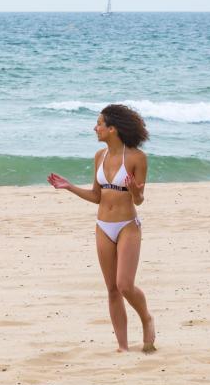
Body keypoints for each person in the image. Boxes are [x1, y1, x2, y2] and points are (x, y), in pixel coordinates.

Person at [47, 104, 156, 353]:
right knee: (111, 289)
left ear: (112, 129)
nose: (95, 128)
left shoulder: (138, 158)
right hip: (102, 226)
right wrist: (69, 186)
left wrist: (136, 191)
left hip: (128, 226)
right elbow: (97, 196)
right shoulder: (99, 156)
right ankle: (123, 346)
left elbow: (138, 200)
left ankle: (147, 318)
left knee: (125, 285)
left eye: (99, 123)